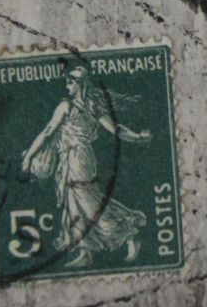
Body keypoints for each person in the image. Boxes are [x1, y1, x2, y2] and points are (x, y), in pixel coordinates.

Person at [21, 63, 152, 268]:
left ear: (80, 84)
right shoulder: (93, 106)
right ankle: (85, 250)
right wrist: (138, 137)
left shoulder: (68, 106)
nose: (67, 86)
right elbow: (117, 129)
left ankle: (126, 233)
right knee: (76, 201)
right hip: (77, 157)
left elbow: (47, 132)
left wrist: (29, 157)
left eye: (70, 82)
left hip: (76, 158)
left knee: (86, 202)